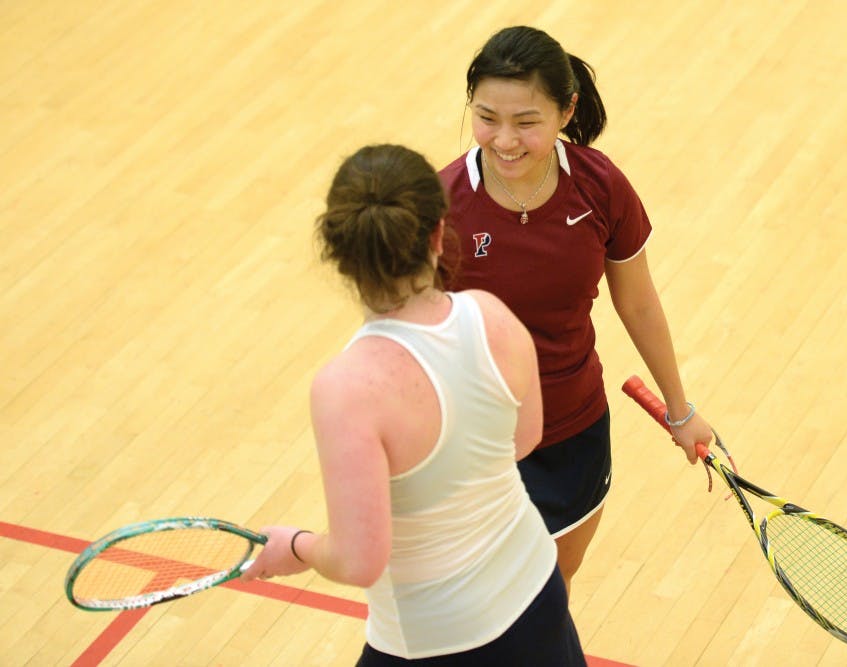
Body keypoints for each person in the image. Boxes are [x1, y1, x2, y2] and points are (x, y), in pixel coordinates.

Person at [242, 144, 586, 665]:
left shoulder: (347, 386)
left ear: (339, 255)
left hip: (435, 643)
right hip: (535, 591)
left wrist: (292, 546)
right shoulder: (490, 315)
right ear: (435, 235)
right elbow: (526, 438)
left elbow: (359, 560)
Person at [439, 26, 716, 595]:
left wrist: (681, 410)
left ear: (566, 111)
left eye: (526, 122)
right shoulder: (441, 207)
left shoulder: (599, 186)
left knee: (550, 589)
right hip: (475, 439)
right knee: (480, 601)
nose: (505, 140)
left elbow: (636, 301)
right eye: (487, 117)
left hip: (572, 430)